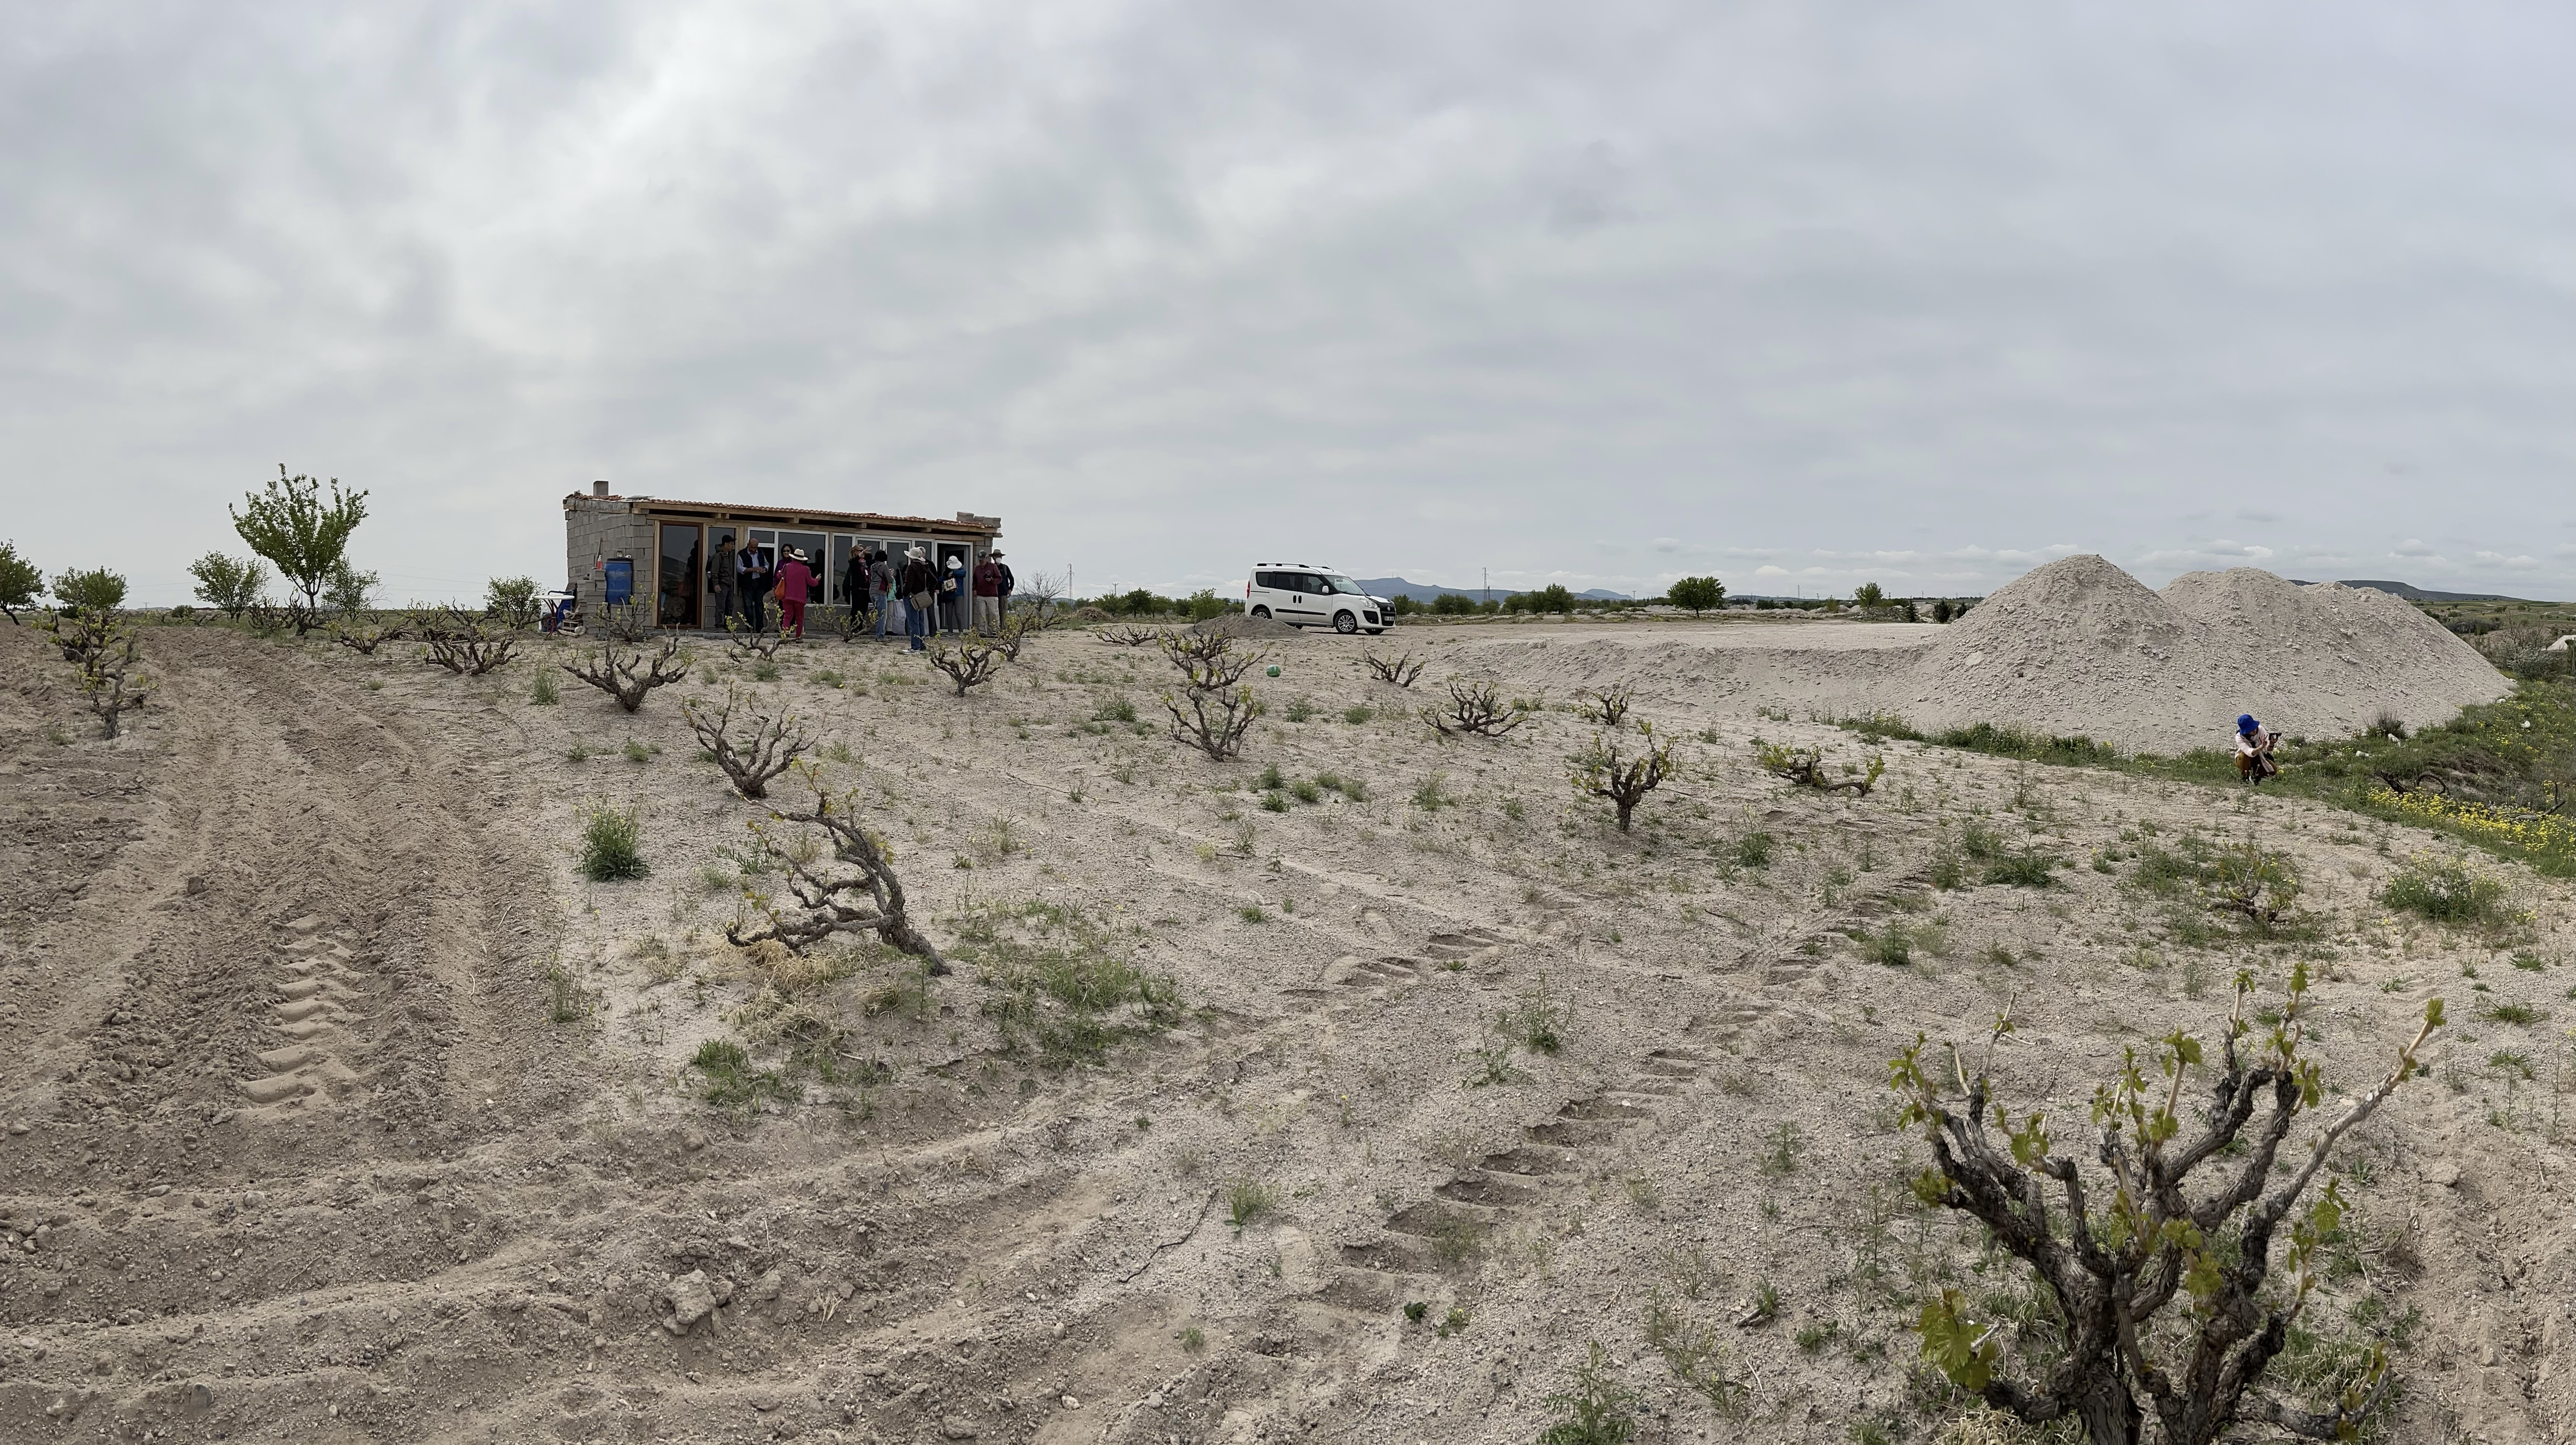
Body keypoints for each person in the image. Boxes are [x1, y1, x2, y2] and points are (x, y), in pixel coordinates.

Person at [900, 545, 936, 651]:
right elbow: (934, 580)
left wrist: (904, 593)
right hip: (921, 597)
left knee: (913, 622)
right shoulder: (925, 566)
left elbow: (909, 584)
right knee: (920, 622)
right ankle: (921, 645)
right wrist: (929, 591)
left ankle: (915, 647)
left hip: (912, 597)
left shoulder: (912, 567)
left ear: (911, 557)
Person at [775, 547, 814, 641]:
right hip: (800, 598)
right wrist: (817, 579)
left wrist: (779, 572)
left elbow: (778, 576)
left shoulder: (786, 566)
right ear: (802, 560)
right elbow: (812, 582)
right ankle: (798, 637)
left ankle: (785, 636)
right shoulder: (806, 569)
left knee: (787, 616)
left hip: (787, 596)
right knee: (799, 618)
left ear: (793, 558)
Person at [2235, 714, 2278, 785]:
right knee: (2243, 756)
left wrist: (2271, 744)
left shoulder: (2261, 730)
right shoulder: (2239, 737)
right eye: (2250, 729)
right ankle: (2245, 778)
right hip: (2245, 760)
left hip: (2259, 757)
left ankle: (2256, 777)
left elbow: (2266, 750)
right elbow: (2248, 752)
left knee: (2274, 770)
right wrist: (2261, 747)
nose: (2254, 730)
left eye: (2254, 727)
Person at [708, 534, 738, 630]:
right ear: (726, 544)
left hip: (729, 584)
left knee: (730, 606)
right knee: (721, 607)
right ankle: (719, 625)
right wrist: (716, 584)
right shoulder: (718, 556)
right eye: (731, 544)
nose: (732, 546)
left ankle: (728, 625)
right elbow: (715, 571)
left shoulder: (729, 556)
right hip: (722, 584)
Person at [972, 551, 1005, 635]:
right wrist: (974, 589)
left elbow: (1000, 579)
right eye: (980, 560)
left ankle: (994, 631)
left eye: (983, 560)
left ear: (987, 558)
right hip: (980, 595)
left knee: (993, 614)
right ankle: (983, 631)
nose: (981, 562)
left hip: (992, 595)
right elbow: (975, 581)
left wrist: (992, 581)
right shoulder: (977, 569)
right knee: (981, 614)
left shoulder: (993, 567)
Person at [871, 548, 897, 641]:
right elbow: (890, 580)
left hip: (872, 591)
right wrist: (891, 575)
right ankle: (881, 637)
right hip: (881, 591)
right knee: (882, 615)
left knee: (878, 615)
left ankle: (878, 635)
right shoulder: (884, 566)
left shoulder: (873, 566)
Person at [992, 549, 1015, 622]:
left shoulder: (1005, 568)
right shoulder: (991, 567)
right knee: (993, 613)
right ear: (993, 558)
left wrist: (1010, 589)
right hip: (993, 594)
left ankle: (1003, 630)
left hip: (1003, 593)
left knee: (1003, 612)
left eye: (999, 556)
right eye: (996, 556)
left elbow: (1012, 579)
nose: (998, 558)